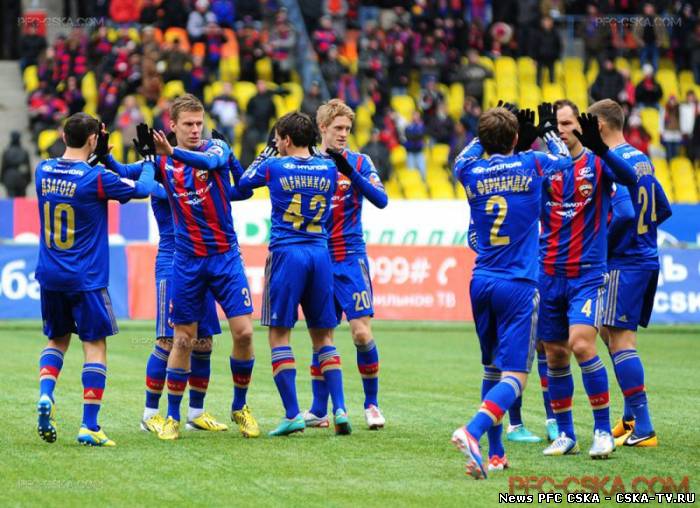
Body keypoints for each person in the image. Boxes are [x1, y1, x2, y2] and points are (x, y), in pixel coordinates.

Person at [451, 103, 571, 479]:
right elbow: (565, 160)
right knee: (515, 377)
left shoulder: (470, 170)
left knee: (492, 367)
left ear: (484, 140)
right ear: (517, 138)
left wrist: (483, 135)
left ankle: (496, 455)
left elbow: (461, 158)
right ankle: (472, 431)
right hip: (518, 284)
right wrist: (547, 132)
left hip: (481, 281)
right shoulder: (532, 163)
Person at [96, 127, 232, 434]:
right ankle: (150, 414)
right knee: (168, 340)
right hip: (173, 263)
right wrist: (106, 157)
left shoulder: (190, 168)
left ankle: (196, 412)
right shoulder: (160, 173)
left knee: (204, 340)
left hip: (202, 259)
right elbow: (125, 172)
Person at [35, 112, 158, 447]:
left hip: (50, 274)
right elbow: (144, 188)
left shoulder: (43, 170)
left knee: (56, 340)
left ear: (63, 136)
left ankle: (46, 393)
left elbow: (72, 174)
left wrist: (94, 154)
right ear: (93, 139)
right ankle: (89, 425)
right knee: (95, 345)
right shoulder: (97, 178)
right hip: (85, 277)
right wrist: (148, 160)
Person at [149, 94, 259, 441]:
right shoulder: (163, 163)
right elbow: (133, 176)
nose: (196, 129)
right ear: (173, 126)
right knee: (182, 339)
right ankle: (170, 416)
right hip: (187, 261)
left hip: (225, 257)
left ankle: (240, 406)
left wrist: (172, 152)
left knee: (243, 332)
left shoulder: (216, 148)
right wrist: (106, 158)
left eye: (200, 123)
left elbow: (216, 166)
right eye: (189, 124)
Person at [238, 111, 351, 436]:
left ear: (286, 139)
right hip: (320, 253)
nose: (276, 144)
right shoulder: (328, 169)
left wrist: (266, 153)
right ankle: (340, 408)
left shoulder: (275, 166)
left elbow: (244, 183)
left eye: (278, 139)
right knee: (323, 337)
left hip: (287, 254)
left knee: (279, 334)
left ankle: (292, 414)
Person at [539, 100, 638, 459]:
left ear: (581, 126)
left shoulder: (598, 162)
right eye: (557, 125)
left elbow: (631, 179)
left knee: (581, 344)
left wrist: (604, 150)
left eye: (568, 123)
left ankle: (602, 431)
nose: (563, 130)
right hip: (549, 272)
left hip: (586, 274)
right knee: (555, 354)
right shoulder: (543, 165)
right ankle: (566, 435)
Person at [588, 99, 672, 448]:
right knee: (610, 333)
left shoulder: (612, 161)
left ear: (600, 126)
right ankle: (631, 417)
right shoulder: (640, 158)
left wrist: (605, 250)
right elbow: (662, 207)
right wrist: (644, 236)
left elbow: (623, 213)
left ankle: (645, 427)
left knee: (620, 340)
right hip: (645, 257)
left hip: (624, 261)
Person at [303, 99, 389, 430]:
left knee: (361, 334)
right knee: (322, 335)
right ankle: (318, 410)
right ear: (322, 128)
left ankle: (372, 404)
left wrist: (349, 172)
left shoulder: (360, 162)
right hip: (319, 258)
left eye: (348, 129)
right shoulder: (308, 163)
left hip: (351, 257)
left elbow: (381, 200)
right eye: (338, 128)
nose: (343, 134)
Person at [1, 131, 31, 197]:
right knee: (21, 200)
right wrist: (28, 179)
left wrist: (2, 179)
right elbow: (27, 167)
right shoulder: (24, 151)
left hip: (9, 177)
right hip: (21, 177)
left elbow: (4, 166)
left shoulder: (7, 151)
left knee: (11, 200)